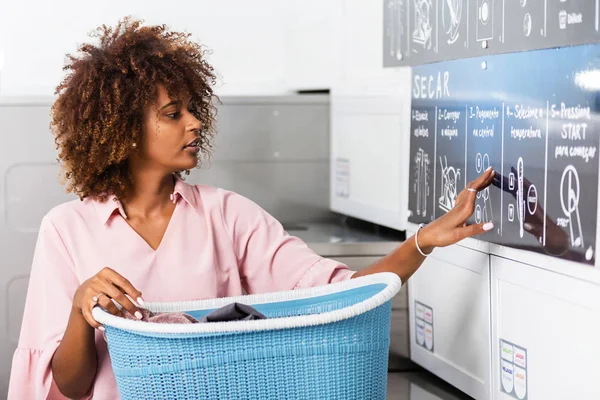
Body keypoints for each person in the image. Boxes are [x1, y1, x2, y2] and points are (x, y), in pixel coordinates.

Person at [7, 17, 495, 400]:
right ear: (123, 130)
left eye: (193, 109)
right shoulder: (66, 230)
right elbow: (70, 387)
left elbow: (342, 294)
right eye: (173, 115)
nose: (195, 124)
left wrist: (422, 242)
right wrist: (80, 310)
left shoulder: (227, 216)